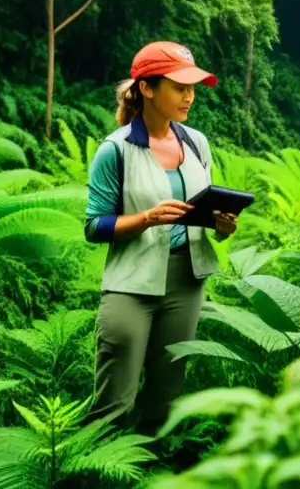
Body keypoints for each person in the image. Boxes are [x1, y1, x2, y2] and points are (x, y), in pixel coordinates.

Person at [84, 41, 237, 430]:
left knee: (166, 396)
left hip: (186, 280)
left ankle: (154, 469)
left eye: (193, 87)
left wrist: (220, 226)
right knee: (114, 400)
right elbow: (94, 226)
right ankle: (97, 471)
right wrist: (146, 219)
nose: (190, 96)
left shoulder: (197, 143)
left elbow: (203, 212)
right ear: (148, 89)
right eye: (179, 87)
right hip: (131, 283)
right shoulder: (115, 150)